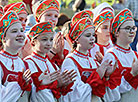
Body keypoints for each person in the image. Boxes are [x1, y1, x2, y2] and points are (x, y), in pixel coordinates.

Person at [61, 17, 114, 102]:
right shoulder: (70, 61)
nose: (92, 38)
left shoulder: (93, 62)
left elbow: (109, 96)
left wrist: (107, 76)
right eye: (88, 35)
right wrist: (98, 75)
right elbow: (74, 94)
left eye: (93, 35)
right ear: (77, 39)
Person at [24, 21, 76, 102]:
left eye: (51, 39)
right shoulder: (29, 62)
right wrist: (40, 84)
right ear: (33, 42)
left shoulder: (51, 64)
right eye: (44, 40)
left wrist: (61, 84)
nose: (48, 43)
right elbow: (30, 91)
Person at [103, 8, 138, 102]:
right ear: (116, 33)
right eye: (127, 28)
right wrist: (132, 73)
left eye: (133, 28)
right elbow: (112, 91)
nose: (132, 31)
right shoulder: (111, 55)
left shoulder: (135, 55)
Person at [0, 11, 32, 102]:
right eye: (14, 31)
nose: (21, 34)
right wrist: (19, 84)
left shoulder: (22, 63)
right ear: (4, 38)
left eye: (22, 31)